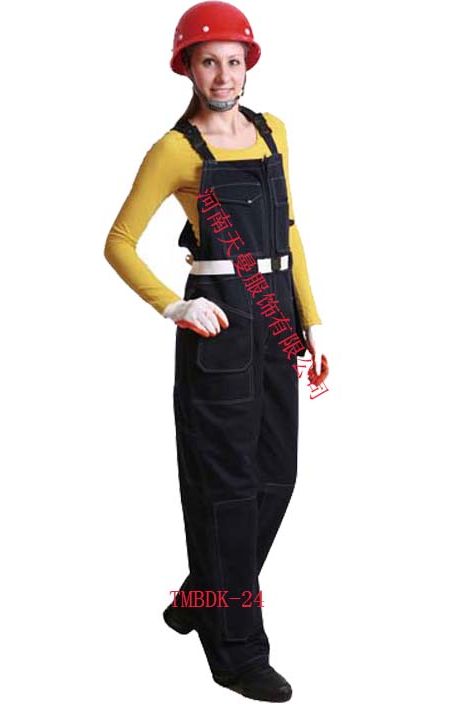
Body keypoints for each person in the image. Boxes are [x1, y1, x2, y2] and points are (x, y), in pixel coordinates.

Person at [104, 2, 329, 700]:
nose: (224, 75)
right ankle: (237, 653)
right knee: (228, 492)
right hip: (221, 326)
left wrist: (313, 321)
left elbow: (287, 231)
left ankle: (203, 594)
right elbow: (118, 242)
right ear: (188, 68)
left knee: (277, 477)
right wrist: (173, 305)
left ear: (248, 64)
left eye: (234, 61)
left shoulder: (274, 131)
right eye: (209, 62)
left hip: (278, 318)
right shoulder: (175, 151)